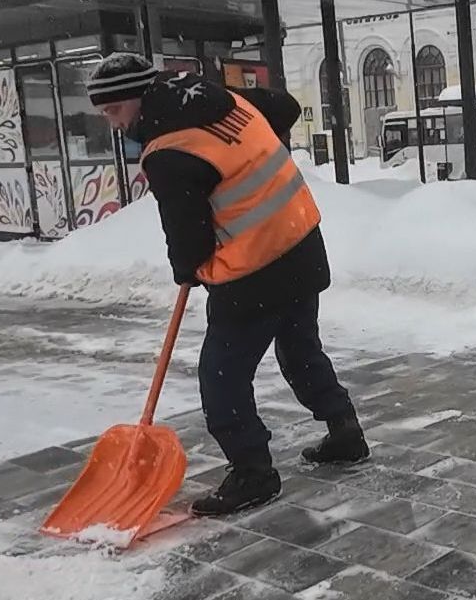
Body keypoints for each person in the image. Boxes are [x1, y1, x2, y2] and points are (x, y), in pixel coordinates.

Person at [86, 53, 368, 517]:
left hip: (253, 271)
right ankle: (345, 430)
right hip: (301, 244)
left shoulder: (167, 150)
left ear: (138, 98)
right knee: (300, 350)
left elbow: (189, 239)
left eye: (114, 110)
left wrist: (186, 269)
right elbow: (284, 107)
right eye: (104, 114)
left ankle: (253, 474)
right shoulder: (221, 99)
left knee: (222, 378)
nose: (113, 123)